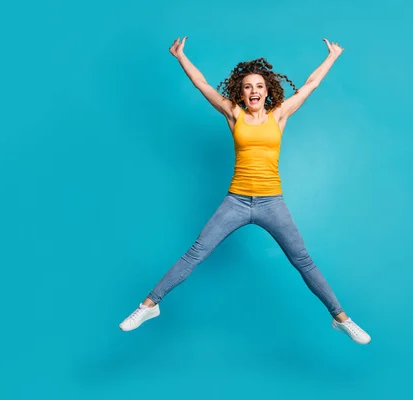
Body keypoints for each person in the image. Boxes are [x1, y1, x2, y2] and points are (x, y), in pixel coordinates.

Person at [119, 36, 371, 345]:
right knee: (196, 252)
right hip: (236, 201)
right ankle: (148, 306)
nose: (254, 91)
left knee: (303, 261)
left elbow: (310, 85)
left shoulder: (279, 114)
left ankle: (341, 318)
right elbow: (202, 85)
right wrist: (180, 56)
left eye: (260, 87)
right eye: (249, 86)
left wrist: (332, 56)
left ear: (268, 92)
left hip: (271, 203)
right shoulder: (233, 114)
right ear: (242, 91)